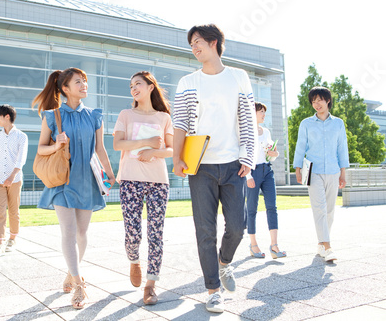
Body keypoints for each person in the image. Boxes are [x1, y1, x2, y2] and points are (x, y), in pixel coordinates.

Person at [172, 24, 257, 313]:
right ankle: (212, 290)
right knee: (205, 230)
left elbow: (247, 119)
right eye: (191, 44)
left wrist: (248, 156)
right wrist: (177, 158)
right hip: (201, 166)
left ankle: (224, 263)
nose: (194, 48)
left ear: (214, 42)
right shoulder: (188, 82)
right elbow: (180, 123)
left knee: (237, 227)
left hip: (233, 164)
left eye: (197, 42)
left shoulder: (238, 77)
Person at [32, 68, 115, 309]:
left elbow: (100, 149)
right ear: (65, 88)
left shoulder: (95, 115)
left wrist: (110, 173)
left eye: (85, 81)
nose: (84, 85)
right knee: (68, 231)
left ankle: (71, 271)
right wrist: (56, 144)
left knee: (81, 233)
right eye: (78, 82)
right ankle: (79, 284)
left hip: (87, 180)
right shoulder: (52, 116)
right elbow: (40, 149)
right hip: (62, 181)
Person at [113, 71, 173, 305]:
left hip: (159, 181)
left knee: (156, 233)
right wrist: (146, 142)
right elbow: (118, 144)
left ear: (150, 87)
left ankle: (150, 285)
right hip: (130, 179)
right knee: (133, 232)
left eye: (138, 84)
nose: (133, 88)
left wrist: (153, 152)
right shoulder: (126, 114)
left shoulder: (164, 118)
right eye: (131, 86)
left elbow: (172, 149)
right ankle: (134, 261)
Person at [293, 86, 349, 262]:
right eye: (313, 101)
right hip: (312, 171)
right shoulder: (306, 124)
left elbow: (342, 148)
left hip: (333, 170)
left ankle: (321, 243)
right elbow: (300, 147)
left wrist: (343, 173)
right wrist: (297, 169)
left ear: (328, 100)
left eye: (319, 100)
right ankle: (328, 247)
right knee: (319, 208)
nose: (316, 104)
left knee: (330, 211)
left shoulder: (338, 123)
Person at [246, 102, 286, 259]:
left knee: (272, 207)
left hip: (267, 171)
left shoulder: (266, 131)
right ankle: (253, 244)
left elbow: (269, 154)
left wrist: (274, 154)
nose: (263, 114)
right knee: (251, 209)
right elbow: (242, 154)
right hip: (253, 171)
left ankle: (274, 246)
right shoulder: (246, 131)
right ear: (253, 113)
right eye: (261, 112)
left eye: (264, 112)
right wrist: (248, 176)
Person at [0, 105, 28, 258]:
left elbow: (21, 158)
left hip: (14, 179)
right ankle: (0, 243)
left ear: (6, 116)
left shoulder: (21, 136)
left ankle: (12, 239)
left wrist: (12, 176)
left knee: (13, 211)